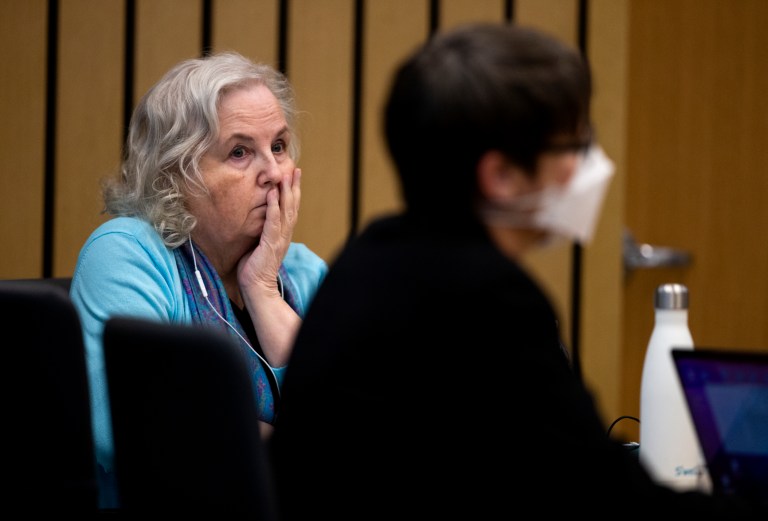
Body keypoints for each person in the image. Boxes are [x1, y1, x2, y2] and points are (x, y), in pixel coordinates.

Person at [268, 23, 766, 518]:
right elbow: (608, 502)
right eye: (574, 146)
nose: (589, 166)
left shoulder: (370, 257)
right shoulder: (486, 299)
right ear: (501, 175)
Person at [69, 51, 327, 509]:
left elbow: (353, 427)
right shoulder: (127, 253)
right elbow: (129, 431)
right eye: (240, 152)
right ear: (176, 175)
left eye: (280, 146)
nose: (273, 172)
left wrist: (264, 288)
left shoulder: (304, 271)